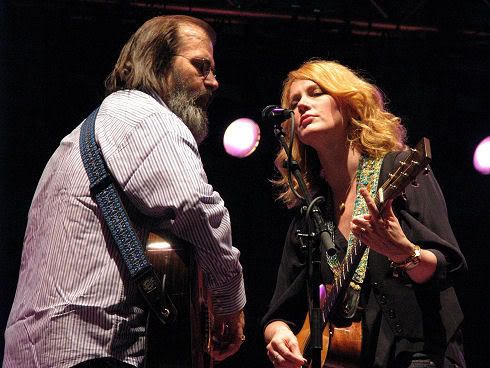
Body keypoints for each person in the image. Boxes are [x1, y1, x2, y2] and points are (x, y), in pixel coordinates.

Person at [4, 15, 246, 368]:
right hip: (89, 349)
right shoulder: (148, 117)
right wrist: (228, 299)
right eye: (201, 66)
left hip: (32, 348)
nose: (213, 82)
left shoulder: (84, 133)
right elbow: (195, 205)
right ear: (158, 64)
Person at [261, 59, 466, 367]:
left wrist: (404, 253)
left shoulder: (399, 169)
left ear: (349, 103)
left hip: (419, 354)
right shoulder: (312, 210)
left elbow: (446, 267)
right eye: (294, 102)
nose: (302, 105)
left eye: (315, 93)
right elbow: (279, 313)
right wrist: (277, 335)